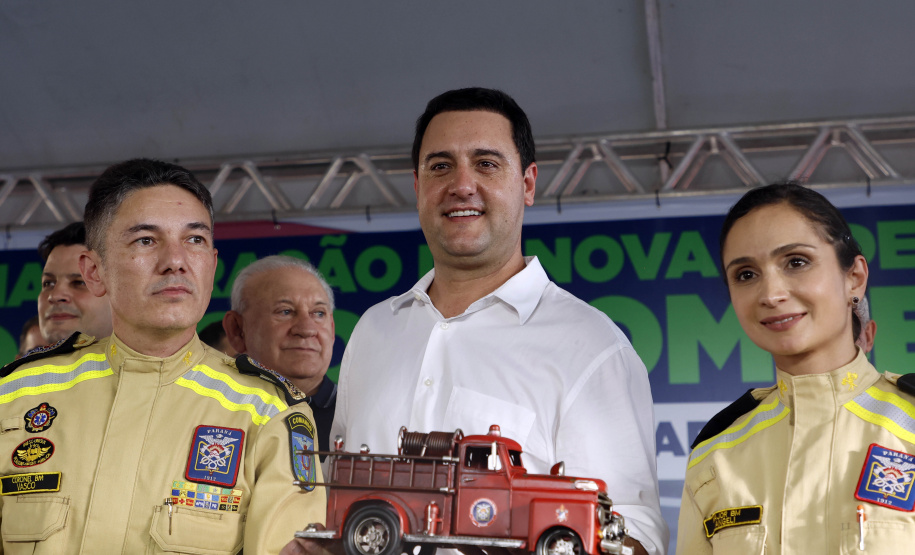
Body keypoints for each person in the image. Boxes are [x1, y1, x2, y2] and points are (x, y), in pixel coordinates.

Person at [317, 88, 667, 555]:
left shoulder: (592, 346)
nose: (462, 184)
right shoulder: (374, 330)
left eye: (486, 163)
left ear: (527, 184)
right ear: (418, 188)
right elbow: (333, 497)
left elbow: (632, 532)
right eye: (441, 166)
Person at [0, 158, 324, 554]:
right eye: (146, 240)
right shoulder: (15, 395)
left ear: (212, 263)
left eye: (194, 240)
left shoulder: (266, 412)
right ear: (95, 271)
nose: (176, 260)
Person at [677, 183, 915, 553]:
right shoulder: (716, 454)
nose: (771, 294)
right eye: (745, 274)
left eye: (796, 262)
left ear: (854, 277)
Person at [223, 255, 337, 458]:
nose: (307, 329)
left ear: (332, 328)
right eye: (285, 311)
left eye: (319, 313)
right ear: (237, 330)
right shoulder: (211, 411)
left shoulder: (361, 417)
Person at [36, 221, 113, 344]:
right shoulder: (26, 364)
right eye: (48, 283)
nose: (55, 296)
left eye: (79, 282)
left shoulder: (152, 363)